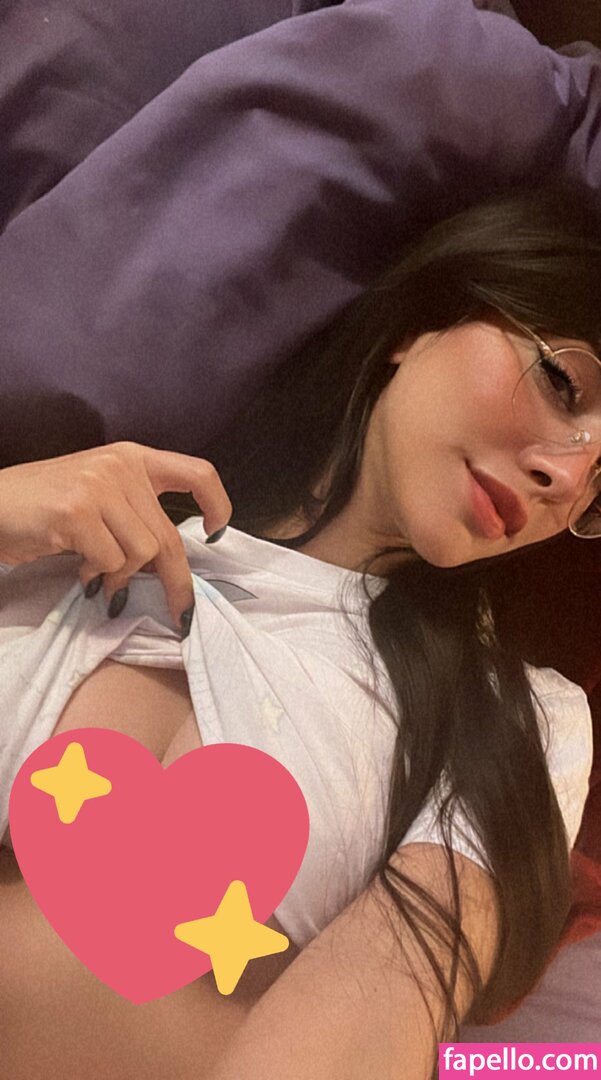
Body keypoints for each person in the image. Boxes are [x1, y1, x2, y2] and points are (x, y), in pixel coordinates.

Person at [1, 185, 600, 1079]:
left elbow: (387, 1006)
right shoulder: (75, 520)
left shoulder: (517, 720)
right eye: (563, 384)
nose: (569, 477)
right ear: (421, 324)